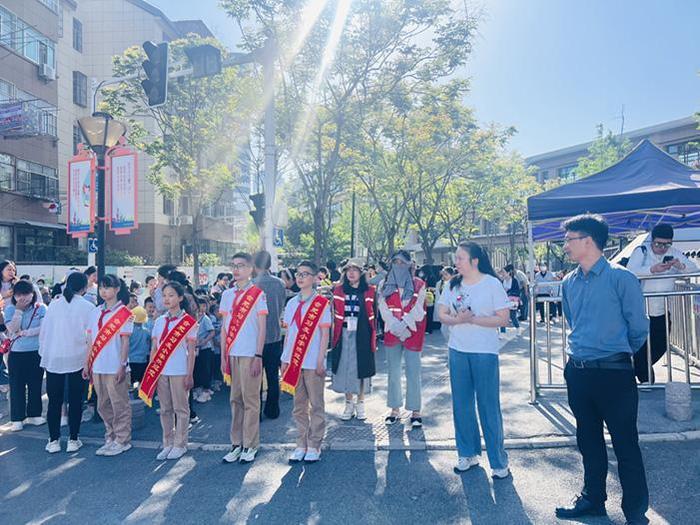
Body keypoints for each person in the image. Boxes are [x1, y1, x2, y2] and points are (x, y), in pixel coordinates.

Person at [555, 214, 649, 525]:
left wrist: (614, 353)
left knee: (625, 443)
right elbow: (574, 321)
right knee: (588, 441)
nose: (565, 245)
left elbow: (638, 328)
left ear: (588, 241)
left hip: (614, 373)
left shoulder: (622, 279)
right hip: (579, 372)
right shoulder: (568, 282)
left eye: (570, 239)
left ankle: (635, 510)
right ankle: (593, 500)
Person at [438, 242, 511, 478]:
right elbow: (441, 314)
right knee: (461, 404)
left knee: (488, 405)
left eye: (460, 258)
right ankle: (467, 453)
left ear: (475, 260)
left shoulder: (492, 283)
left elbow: (503, 319)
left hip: (484, 352)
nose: (456, 262)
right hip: (458, 350)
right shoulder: (451, 284)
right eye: (456, 258)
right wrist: (458, 320)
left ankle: (498, 461)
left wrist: (473, 319)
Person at [626, 223, 698, 383]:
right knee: (640, 345)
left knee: (660, 344)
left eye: (667, 244)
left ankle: (636, 372)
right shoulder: (641, 251)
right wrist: (652, 270)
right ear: (652, 241)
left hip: (663, 310)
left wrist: (679, 265)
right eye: (658, 244)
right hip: (641, 310)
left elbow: (694, 270)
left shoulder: (674, 254)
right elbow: (629, 272)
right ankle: (644, 378)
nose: (662, 248)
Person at [280, 260, 332, 463]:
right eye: (298, 273)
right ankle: (300, 443)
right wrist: (285, 358)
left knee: (316, 404)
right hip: (294, 361)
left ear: (315, 277)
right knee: (298, 405)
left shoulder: (321, 304)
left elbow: (324, 334)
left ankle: (314, 444)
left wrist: (321, 360)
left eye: (305, 274)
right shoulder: (291, 303)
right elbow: (289, 335)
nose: (300, 277)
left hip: (312, 361)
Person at [39, 272, 96, 453]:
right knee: (75, 400)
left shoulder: (54, 306)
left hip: (54, 358)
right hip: (78, 358)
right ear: (85, 288)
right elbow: (90, 336)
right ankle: (73, 439)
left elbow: (44, 333)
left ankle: (53, 440)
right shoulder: (88, 307)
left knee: (54, 401)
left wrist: (45, 353)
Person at [219, 252, 268, 465]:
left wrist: (258, 355)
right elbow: (224, 328)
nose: (236, 270)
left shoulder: (258, 294)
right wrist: (223, 355)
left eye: (241, 266)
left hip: (250, 354)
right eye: (234, 265)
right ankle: (236, 444)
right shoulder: (227, 295)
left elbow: (262, 328)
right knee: (234, 400)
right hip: (232, 353)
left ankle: (251, 444)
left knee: (251, 400)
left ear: (251, 269)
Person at [144, 282, 198, 460]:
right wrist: (152, 370)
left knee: (181, 409)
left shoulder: (189, 322)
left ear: (180, 298)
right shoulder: (159, 321)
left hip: (180, 370)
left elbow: (191, 352)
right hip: (161, 372)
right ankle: (167, 442)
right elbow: (154, 348)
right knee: (165, 409)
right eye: (164, 295)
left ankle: (180, 443)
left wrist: (190, 374)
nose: (167, 299)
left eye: (171, 295)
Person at [85, 274, 134, 456]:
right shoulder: (95, 311)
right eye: (101, 288)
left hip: (115, 365)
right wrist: (86, 363)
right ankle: (111, 436)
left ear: (117, 289)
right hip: (97, 365)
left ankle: (123, 439)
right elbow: (90, 340)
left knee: (119, 403)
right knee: (102, 405)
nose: (103, 291)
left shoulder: (125, 314)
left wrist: (122, 364)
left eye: (107, 287)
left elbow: (125, 342)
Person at [378, 250, 427, 428]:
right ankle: (394, 409)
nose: (398, 265)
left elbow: (419, 309)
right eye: (395, 262)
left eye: (402, 262)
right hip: (392, 331)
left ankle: (415, 411)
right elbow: (382, 307)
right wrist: (394, 325)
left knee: (413, 371)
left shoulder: (419, 284)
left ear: (409, 264)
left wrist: (404, 324)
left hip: (412, 331)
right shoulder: (384, 284)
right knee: (393, 371)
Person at [331, 258, 377, 421]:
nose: (351, 273)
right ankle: (348, 403)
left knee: (361, 368)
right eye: (348, 270)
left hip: (362, 333)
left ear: (361, 273)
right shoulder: (338, 290)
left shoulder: (370, 290)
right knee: (345, 367)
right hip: (343, 332)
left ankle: (361, 403)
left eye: (355, 270)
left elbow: (375, 314)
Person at [4, 279, 47, 431]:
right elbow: (13, 329)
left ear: (33, 294)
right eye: (19, 295)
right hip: (17, 353)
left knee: (35, 384)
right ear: (14, 295)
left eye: (26, 294)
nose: (22, 297)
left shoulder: (41, 308)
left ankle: (34, 414)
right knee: (17, 386)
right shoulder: (10, 310)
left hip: (36, 352)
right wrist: (19, 311)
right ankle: (17, 418)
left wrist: (26, 332)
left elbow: (44, 328)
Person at [253, 250, 287, 419]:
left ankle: (256, 412)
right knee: (273, 376)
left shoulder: (251, 285)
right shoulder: (280, 283)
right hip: (274, 335)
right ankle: (273, 410)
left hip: (255, 338)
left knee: (255, 378)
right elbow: (281, 306)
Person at [193, 297, 215, 403]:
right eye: (200, 305)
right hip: (196, 348)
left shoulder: (206, 319)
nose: (202, 308)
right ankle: (199, 389)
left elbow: (212, 332)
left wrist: (205, 341)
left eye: (204, 306)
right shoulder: (194, 317)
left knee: (206, 369)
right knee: (198, 368)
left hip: (205, 348)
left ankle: (206, 390)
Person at [128, 306, 151, 387]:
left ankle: (133, 388)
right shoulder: (147, 332)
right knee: (141, 378)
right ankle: (138, 390)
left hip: (131, 359)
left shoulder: (129, 331)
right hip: (142, 360)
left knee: (133, 378)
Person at [434, 267, 456, 341]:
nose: (443, 277)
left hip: (452, 311)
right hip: (443, 311)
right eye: (443, 274)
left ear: (452, 275)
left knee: (448, 330)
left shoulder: (455, 284)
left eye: (446, 274)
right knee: (444, 329)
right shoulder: (439, 283)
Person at [499, 266, 521, 332]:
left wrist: (508, 291)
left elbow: (517, 291)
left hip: (512, 301)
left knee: (513, 316)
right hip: (504, 301)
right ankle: (502, 332)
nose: (502, 274)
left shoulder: (514, 281)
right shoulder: (502, 281)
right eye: (502, 272)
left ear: (508, 273)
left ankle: (518, 328)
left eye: (504, 272)